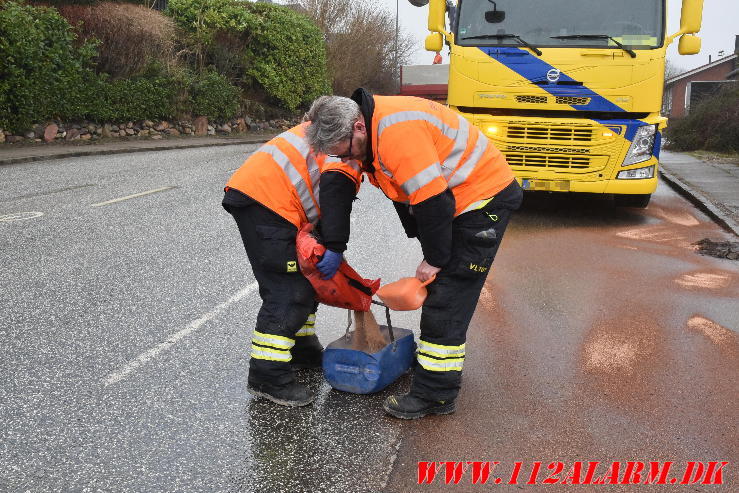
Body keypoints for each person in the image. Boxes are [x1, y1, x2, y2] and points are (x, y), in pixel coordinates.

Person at [305, 89, 523, 419]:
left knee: (448, 296)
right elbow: (410, 194)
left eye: (346, 152)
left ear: (358, 128)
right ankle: (436, 373)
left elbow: (433, 201)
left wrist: (435, 258)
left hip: (481, 203)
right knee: (442, 287)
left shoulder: (395, 133)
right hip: (459, 202)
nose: (347, 160)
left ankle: (435, 394)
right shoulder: (369, 130)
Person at [222, 121, 361, 407]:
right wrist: (334, 247)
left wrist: (326, 244)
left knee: (308, 277)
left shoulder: (341, 128)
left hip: (274, 200)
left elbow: (321, 192)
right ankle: (267, 376)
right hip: (266, 203)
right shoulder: (346, 145)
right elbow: (335, 196)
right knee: (289, 289)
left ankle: (302, 348)